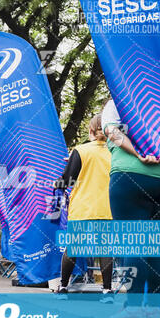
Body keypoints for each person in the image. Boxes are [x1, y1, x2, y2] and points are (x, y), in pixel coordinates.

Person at [102, 99, 160, 318]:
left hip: (130, 175)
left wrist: (137, 152)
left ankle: (133, 307)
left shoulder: (119, 96)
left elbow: (111, 131)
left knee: (133, 242)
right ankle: (156, 310)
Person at [53, 114, 114, 303]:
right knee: (105, 250)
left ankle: (63, 287)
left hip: (82, 208)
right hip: (107, 208)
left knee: (73, 248)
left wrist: (57, 182)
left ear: (90, 131)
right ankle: (107, 291)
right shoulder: (116, 151)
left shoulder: (80, 150)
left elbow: (65, 182)